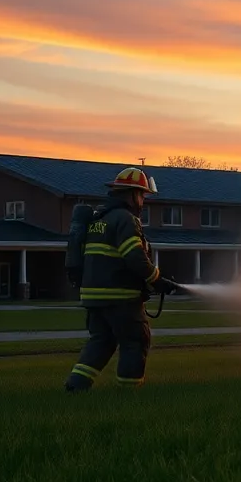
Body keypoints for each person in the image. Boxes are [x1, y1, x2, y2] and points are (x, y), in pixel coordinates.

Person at [64, 167, 182, 392]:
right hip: (121, 298)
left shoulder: (99, 220)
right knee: (136, 340)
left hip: (93, 297)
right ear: (132, 194)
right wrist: (157, 279)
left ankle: (76, 385)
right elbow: (134, 257)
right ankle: (129, 394)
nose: (143, 202)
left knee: (102, 341)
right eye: (143, 196)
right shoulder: (125, 219)